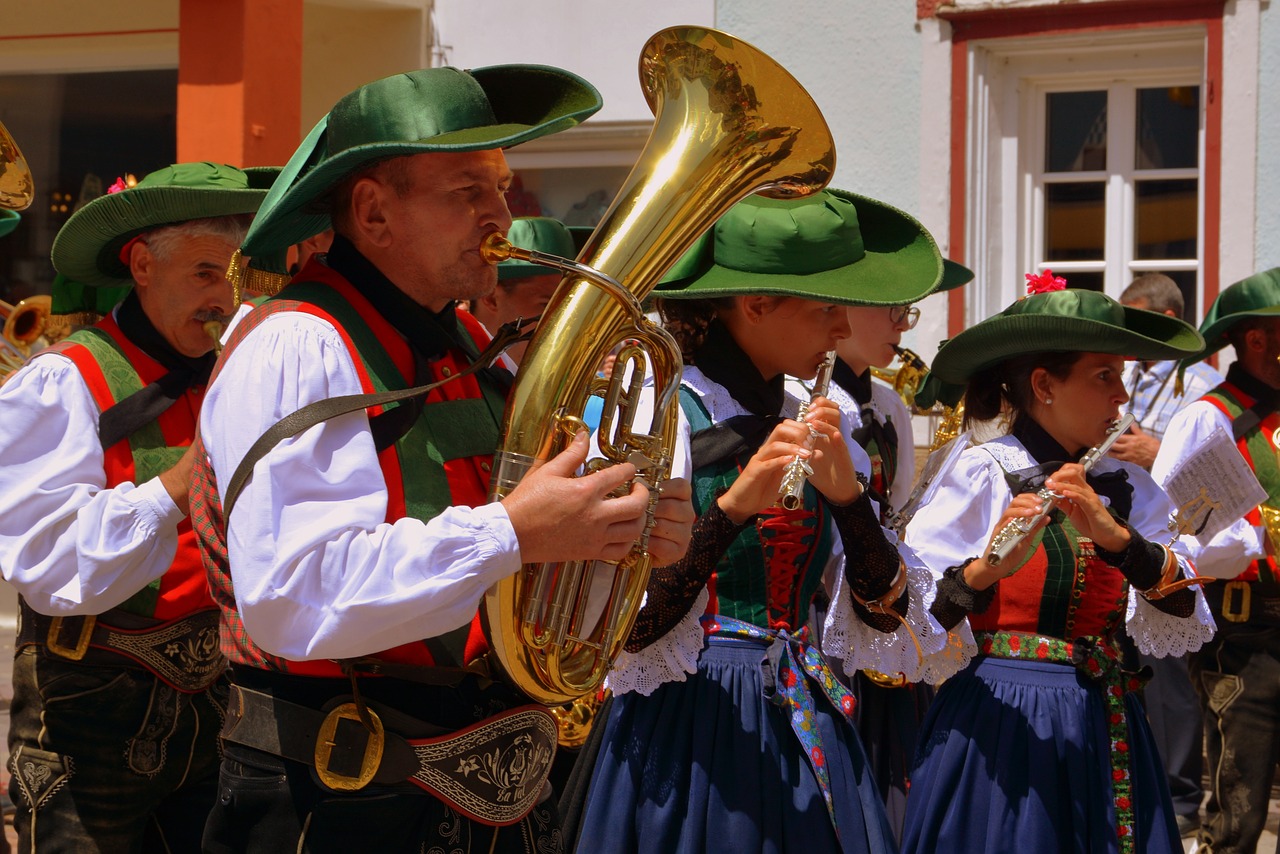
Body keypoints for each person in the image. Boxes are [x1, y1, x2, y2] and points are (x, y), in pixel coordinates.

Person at [190, 66, 694, 853]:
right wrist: (515, 532)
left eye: (500, 186)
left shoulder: (468, 355)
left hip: (485, 800)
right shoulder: (300, 342)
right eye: (467, 191)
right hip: (341, 804)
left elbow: (526, 583)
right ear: (374, 212)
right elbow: (290, 595)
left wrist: (616, 538)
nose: (503, 214)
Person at [578, 189, 966, 853]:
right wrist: (731, 509)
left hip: (800, 711)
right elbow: (627, 632)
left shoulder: (821, 412)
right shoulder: (659, 410)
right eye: (825, 309)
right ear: (755, 305)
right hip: (685, 725)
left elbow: (884, 616)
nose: (842, 330)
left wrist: (849, 504)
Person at [0, 162, 272, 851]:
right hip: (90, 704)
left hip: (219, 701)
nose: (225, 301)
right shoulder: (64, 378)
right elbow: (46, 564)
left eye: (236, 278)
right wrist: (178, 485)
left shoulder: (239, 368)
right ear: (143, 266)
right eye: (206, 274)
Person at [901, 276, 1215, 854]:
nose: (1121, 397)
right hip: (1004, 725)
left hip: (1106, 719)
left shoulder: (1127, 490)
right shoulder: (982, 473)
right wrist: (985, 569)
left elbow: (1182, 608)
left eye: (1121, 376)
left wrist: (1118, 540)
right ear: (1044, 384)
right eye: (1104, 376)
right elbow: (911, 631)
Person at [823, 258, 973, 839]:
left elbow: (900, 509)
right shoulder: (802, 396)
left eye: (906, 311)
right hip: (827, 602)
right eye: (891, 309)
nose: (902, 326)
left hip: (881, 597)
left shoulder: (886, 404)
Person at [1151, 267, 1280, 854]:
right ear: (1259, 339)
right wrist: (1260, 539)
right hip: (1244, 635)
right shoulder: (1208, 418)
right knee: (1239, 804)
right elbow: (1176, 536)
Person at [1109, 271, 1220, 837]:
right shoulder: (1127, 375)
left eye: (1137, 317)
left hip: (1172, 533)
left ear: (1169, 320)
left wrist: (1155, 450)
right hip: (1120, 531)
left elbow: (1216, 475)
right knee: (1129, 663)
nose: (1126, 332)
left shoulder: (1200, 383)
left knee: (1173, 677)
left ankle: (1180, 795)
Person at [1111, 272, 1223, 469]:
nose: (1127, 330)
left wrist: (1159, 455)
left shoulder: (1207, 385)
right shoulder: (1124, 369)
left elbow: (1221, 470)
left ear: (1168, 319)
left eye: (1136, 321)